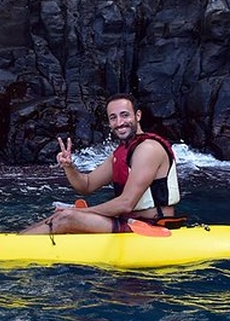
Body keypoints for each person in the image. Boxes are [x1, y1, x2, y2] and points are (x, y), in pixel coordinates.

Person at [20, 93, 180, 234]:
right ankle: (16, 241)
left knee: (67, 217)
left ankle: (12, 249)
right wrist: (69, 167)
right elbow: (86, 185)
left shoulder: (148, 149)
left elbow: (126, 204)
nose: (119, 122)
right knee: (62, 215)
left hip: (151, 226)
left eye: (125, 115)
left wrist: (81, 213)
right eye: (113, 117)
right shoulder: (122, 152)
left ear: (137, 116)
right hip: (130, 222)